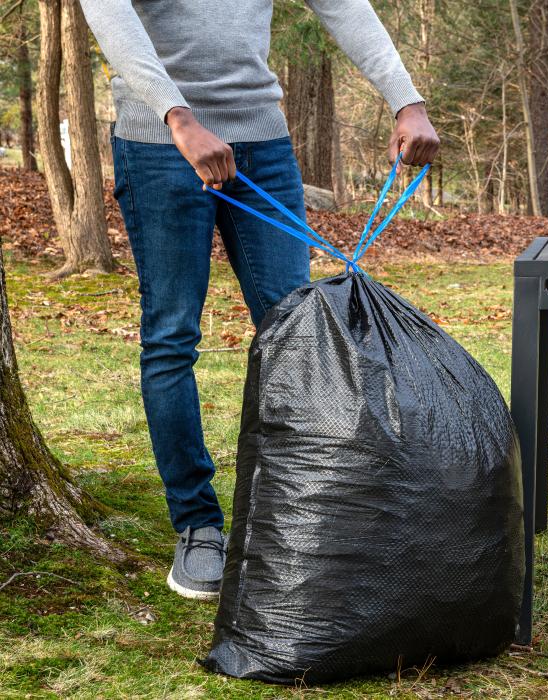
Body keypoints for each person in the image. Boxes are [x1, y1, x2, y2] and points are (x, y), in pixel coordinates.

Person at [79, 0, 440, 600]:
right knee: (171, 336)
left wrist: (407, 100)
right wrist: (179, 118)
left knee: (300, 333)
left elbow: (343, 5)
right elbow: (111, 17)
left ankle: (306, 509)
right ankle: (197, 526)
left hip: (262, 145)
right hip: (160, 146)